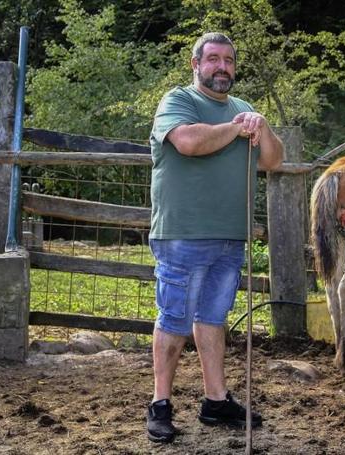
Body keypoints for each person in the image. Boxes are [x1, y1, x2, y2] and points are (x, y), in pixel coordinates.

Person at [145, 32, 285, 443]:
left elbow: (274, 160)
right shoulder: (178, 101)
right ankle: (160, 404)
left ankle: (215, 400)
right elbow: (188, 142)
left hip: (230, 236)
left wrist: (262, 125)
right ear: (196, 64)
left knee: (212, 319)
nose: (222, 67)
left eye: (228, 61)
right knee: (174, 319)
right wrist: (236, 129)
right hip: (182, 233)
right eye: (213, 60)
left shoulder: (244, 110)